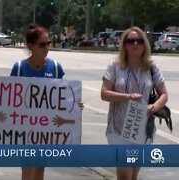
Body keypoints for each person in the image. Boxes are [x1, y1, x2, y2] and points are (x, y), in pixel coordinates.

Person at [10, 23, 83, 180]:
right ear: (31, 46)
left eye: (48, 43)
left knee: (40, 167)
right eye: (42, 44)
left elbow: (62, 96)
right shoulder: (19, 68)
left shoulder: (55, 68)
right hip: (25, 126)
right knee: (27, 166)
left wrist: (75, 105)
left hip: (47, 127)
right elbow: (8, 98)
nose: (47, 47)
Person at [101, 27, 168, 180]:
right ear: (124, 44)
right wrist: (127, 96)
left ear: (145, 45)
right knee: (125, 174)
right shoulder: (115, 66)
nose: (135, 44)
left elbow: (163, 94)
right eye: (131, 41)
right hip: (118, 128)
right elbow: (104, 93)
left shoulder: (151, 66)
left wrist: (153, 107)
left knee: (134, 174)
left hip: (142, 128)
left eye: (139, 41)